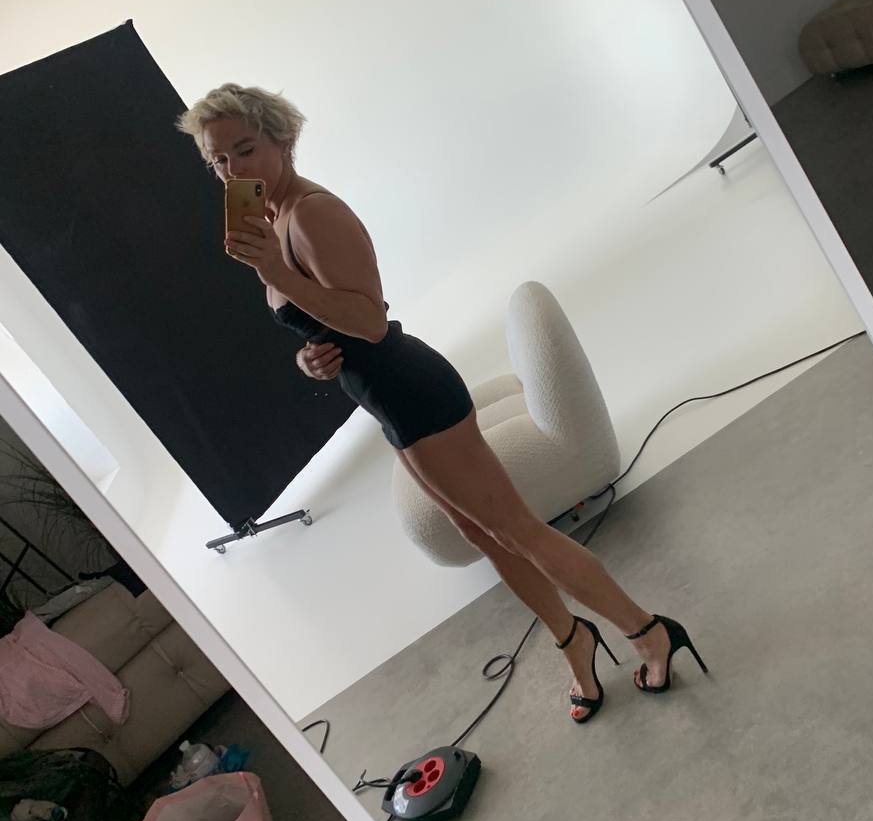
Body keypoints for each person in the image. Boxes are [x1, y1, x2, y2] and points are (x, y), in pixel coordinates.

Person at [177, 84, 707, 723]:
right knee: (483, 533)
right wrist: (307, 357)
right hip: (389, 401)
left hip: (413, 391)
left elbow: (370, 321)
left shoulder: (313, 213)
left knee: (520, 531)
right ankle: (574, 641)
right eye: (218, 160)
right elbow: (329, 323)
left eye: (245, 149)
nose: (233, 170)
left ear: (282, 140)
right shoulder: (273, 219)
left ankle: (648, 632)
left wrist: (278, 274)